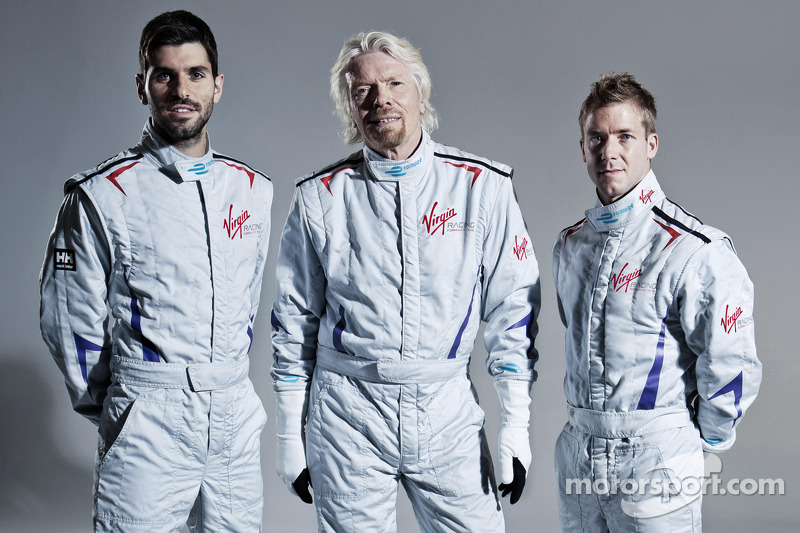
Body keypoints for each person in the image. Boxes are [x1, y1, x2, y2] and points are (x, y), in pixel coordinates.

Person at [270, 31, 540, 532]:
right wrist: (290, 434)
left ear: (421, 92)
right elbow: (293, 321)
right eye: (363, 91)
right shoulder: (320, 198)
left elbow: (513, 309)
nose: (381, 99)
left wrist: (516, 428)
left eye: (394, 83)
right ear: (349, 108)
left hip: (446, 409)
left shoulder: (481, 186)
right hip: (347, 411)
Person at [39, 10, 272, 532]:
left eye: (195, 74)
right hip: (148, 418)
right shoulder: (102, 194)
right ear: (142, 87)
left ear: (218, 86)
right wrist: (124, 405)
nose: (180, 89)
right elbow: (66, 318)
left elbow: (249, 302)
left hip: (233, 414)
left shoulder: (254, 190)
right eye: (163, 74)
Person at [552, 72, 762, 532]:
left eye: (624, 136)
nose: (609, 151)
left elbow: (731, 363)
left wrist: (695, 444)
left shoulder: (694, 249)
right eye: (597, 137)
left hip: (655, 457)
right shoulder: (571, 246)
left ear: (651, 144)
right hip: (578, 453)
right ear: (583, 147)